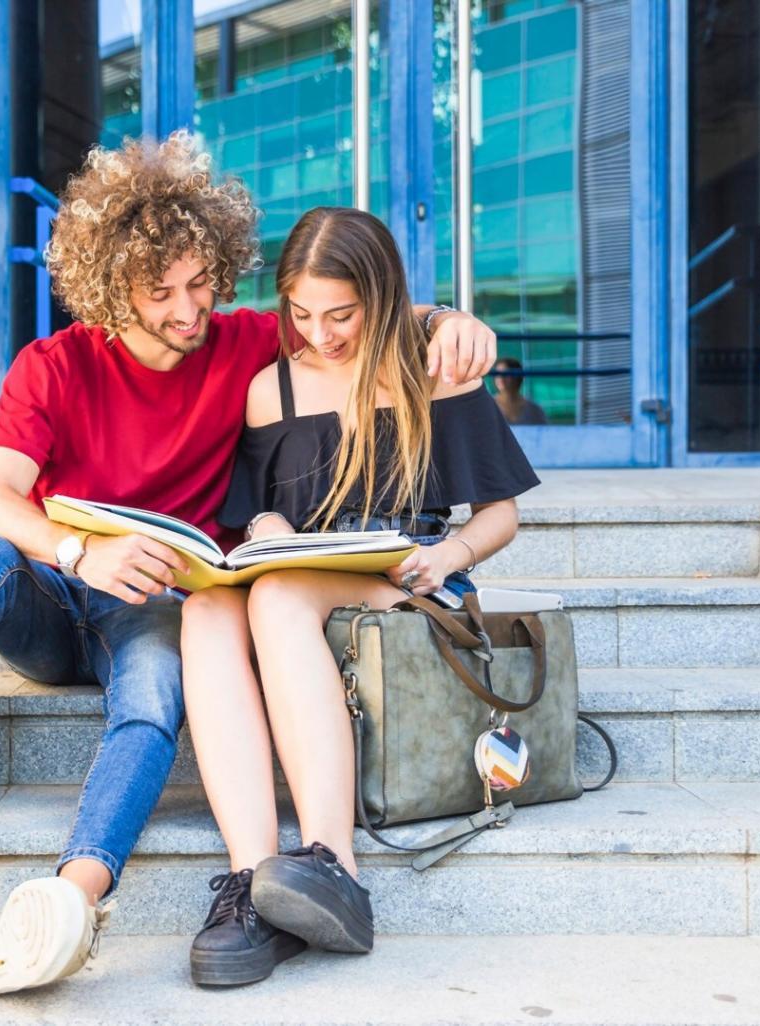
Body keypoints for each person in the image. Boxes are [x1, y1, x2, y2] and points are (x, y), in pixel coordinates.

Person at [0, 133, 498, 998]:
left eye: (200, 281)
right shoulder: (53, 366)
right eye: (160, 292)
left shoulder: (248, 343)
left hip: (156, 605)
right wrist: (80, 551)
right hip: (56, 591)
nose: (189, 310)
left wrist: (449, 320)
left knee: (150, 697)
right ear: (110, 290)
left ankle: (73, 900)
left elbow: (351, 318)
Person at [181, 207, 539, 988]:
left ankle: (332, 864)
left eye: (340, 314)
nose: (320, 333)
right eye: (301, 314)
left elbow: (500, 513)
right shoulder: (270, 389)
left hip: (410, 587)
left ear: (380, 296)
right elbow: (257, 511)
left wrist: (448, 552)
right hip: (309, 574)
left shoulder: (432, 369)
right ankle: (251, 881)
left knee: (275, 597)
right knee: (210, 609)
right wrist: (270, 522)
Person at [492, 356, 548, 424]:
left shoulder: (534, 410)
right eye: (497, 374)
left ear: (517, 377)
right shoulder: (488, 407)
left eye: (506, 374)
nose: (501, 378)